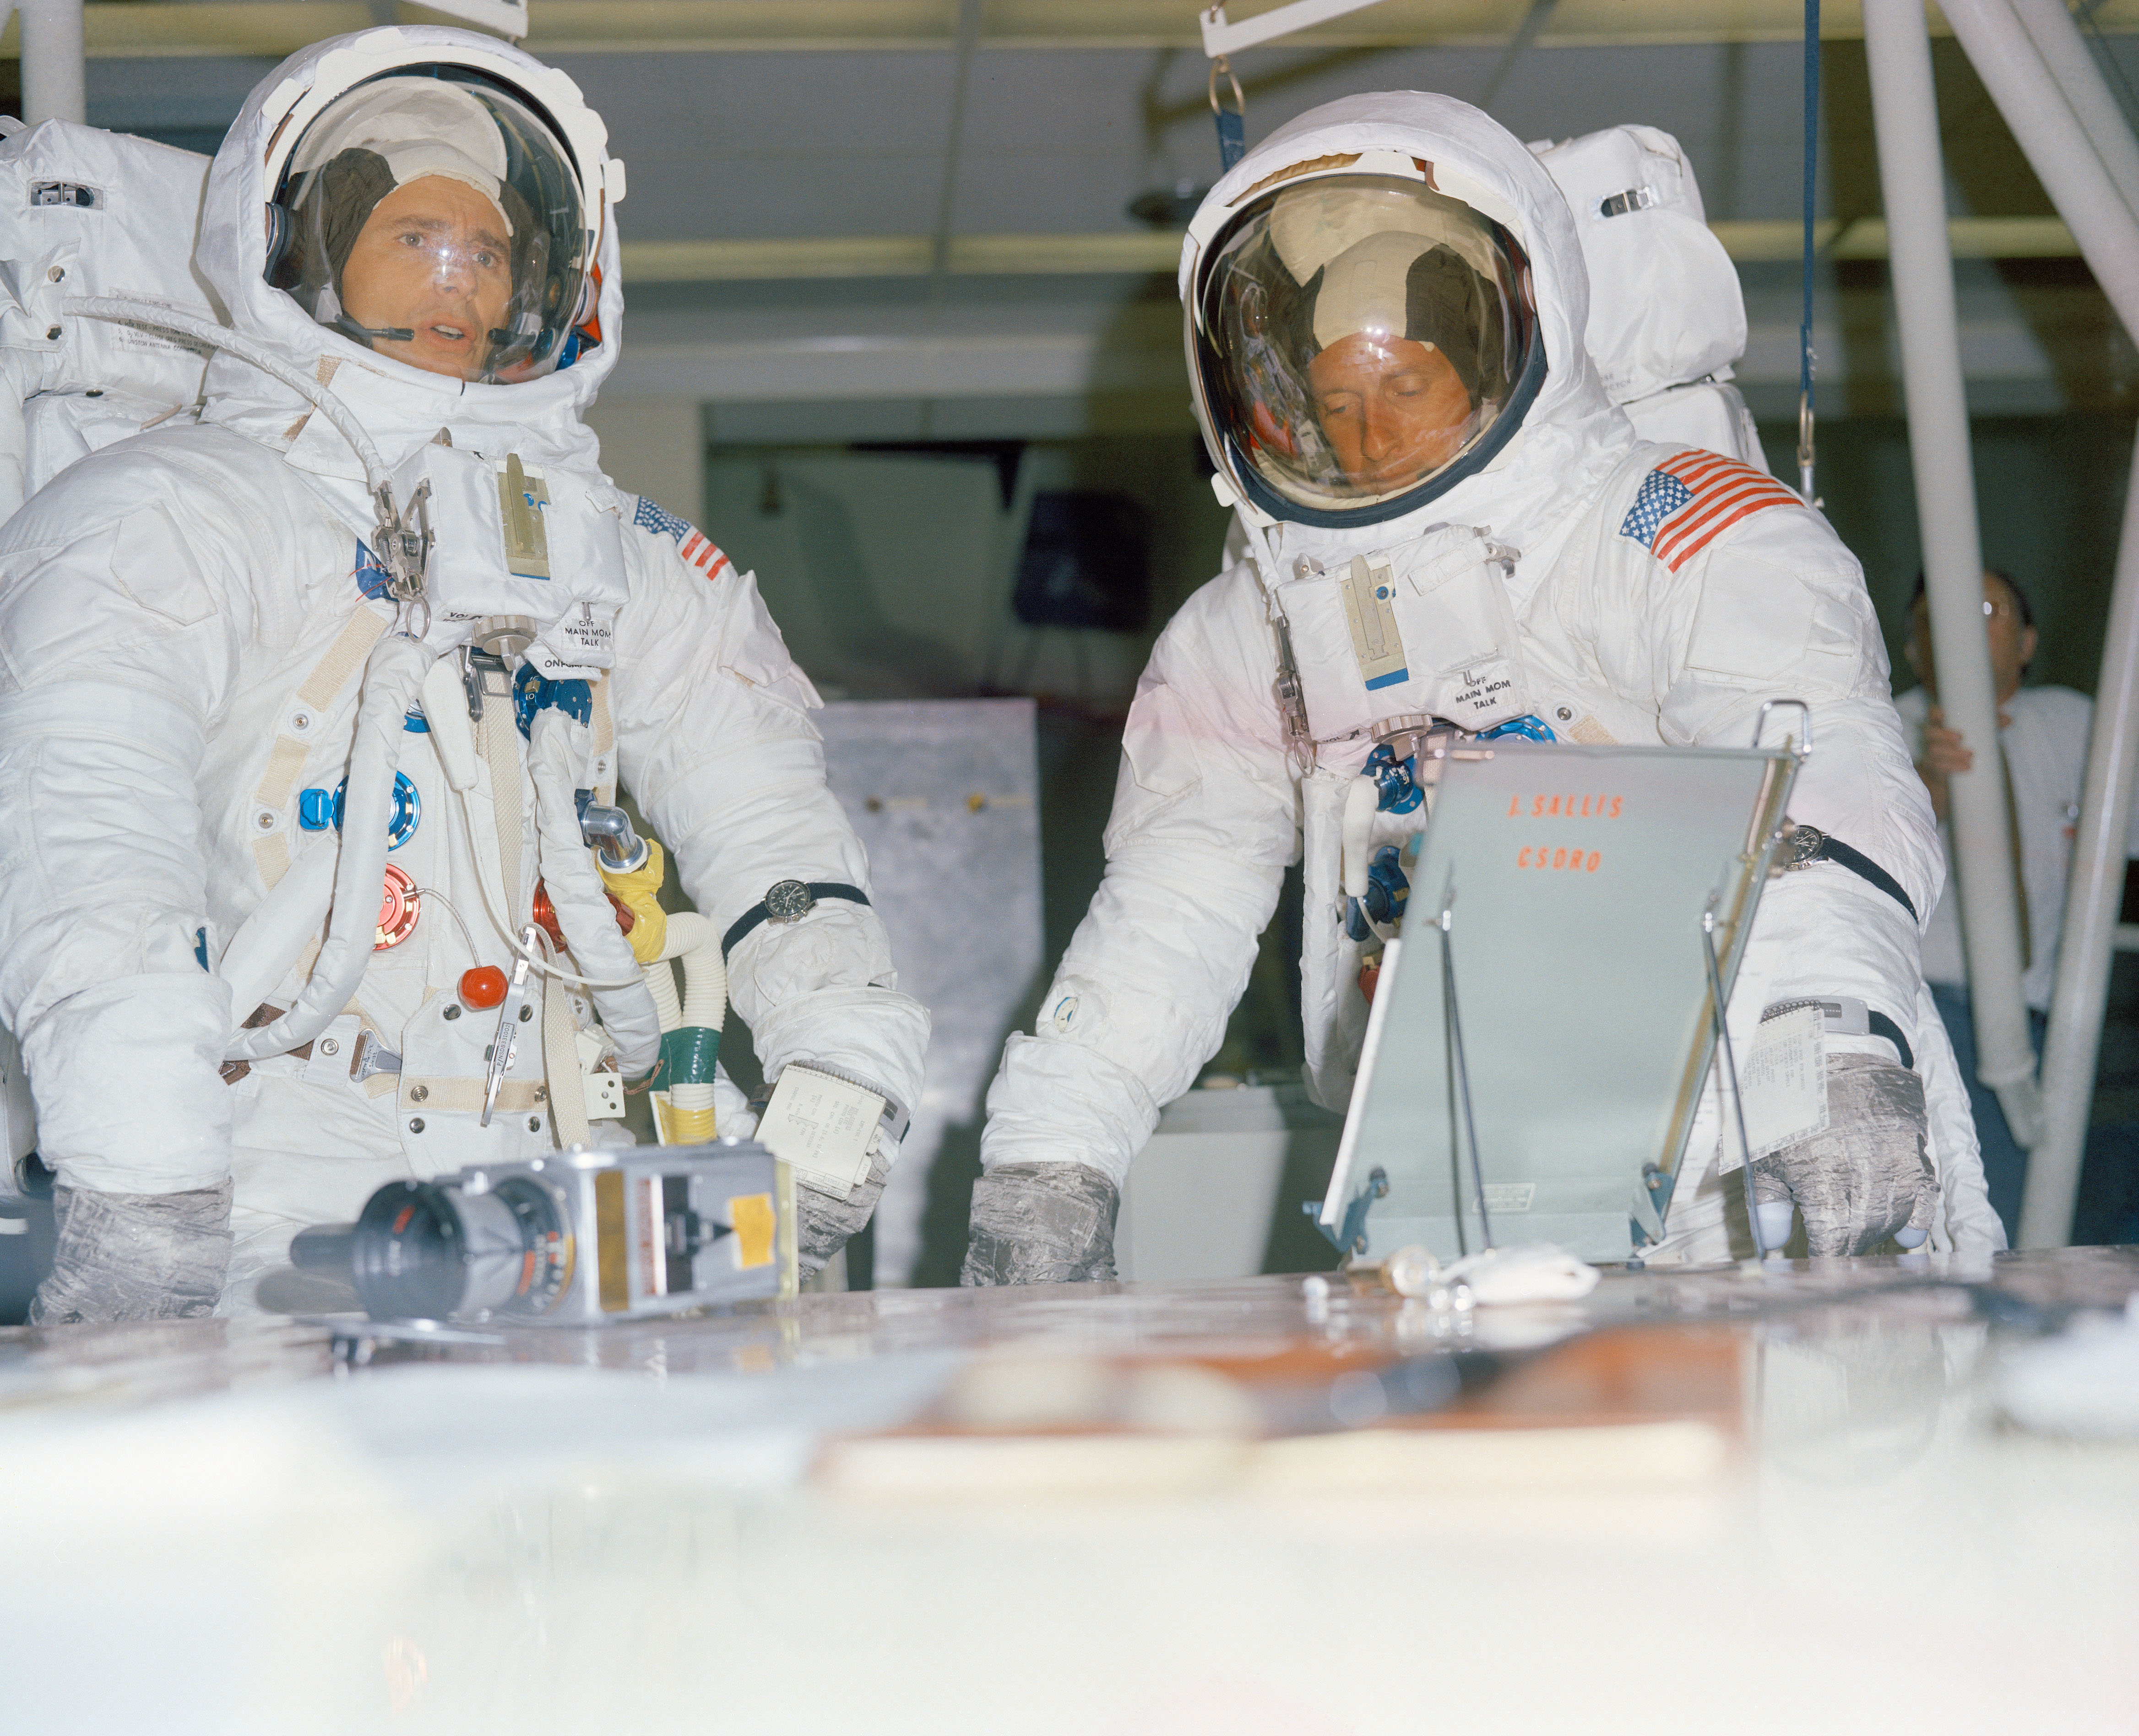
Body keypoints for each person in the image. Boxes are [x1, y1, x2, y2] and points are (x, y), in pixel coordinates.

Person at [964, 91, 2003, 1282]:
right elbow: (1174, 903)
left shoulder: (1675, 528)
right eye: (1336, 403)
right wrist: (1053, 1152)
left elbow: (1818, 786)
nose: (1370, 437)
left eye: (1407, 387)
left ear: (1501, 357)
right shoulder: (1258, 619)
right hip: (1449, 1174)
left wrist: (1831, 1054)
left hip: (1753, 1154)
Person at [0, 26, 927, 1320]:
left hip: (558, 1189)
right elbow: (92, 840)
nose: (461, 282)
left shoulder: (613, 550)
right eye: (413, 239)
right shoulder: (175, 513)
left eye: (490, 250)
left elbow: (769, 816)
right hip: (267, 1189)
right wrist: (143, 1181)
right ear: (306, 251)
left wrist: (841, 1078)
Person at [1895, 570, 2089, 1240]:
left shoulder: (2079, 727)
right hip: (1923, 1023)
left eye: (1989, 608)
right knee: (1939, 1230)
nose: (1965, 624)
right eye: (1940, 612)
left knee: (2048, 1223)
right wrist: (1924, 791)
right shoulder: (1882, 729)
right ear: (1917, 650)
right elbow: (1807, 850)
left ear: (2028, 641)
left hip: (2050, 1027)